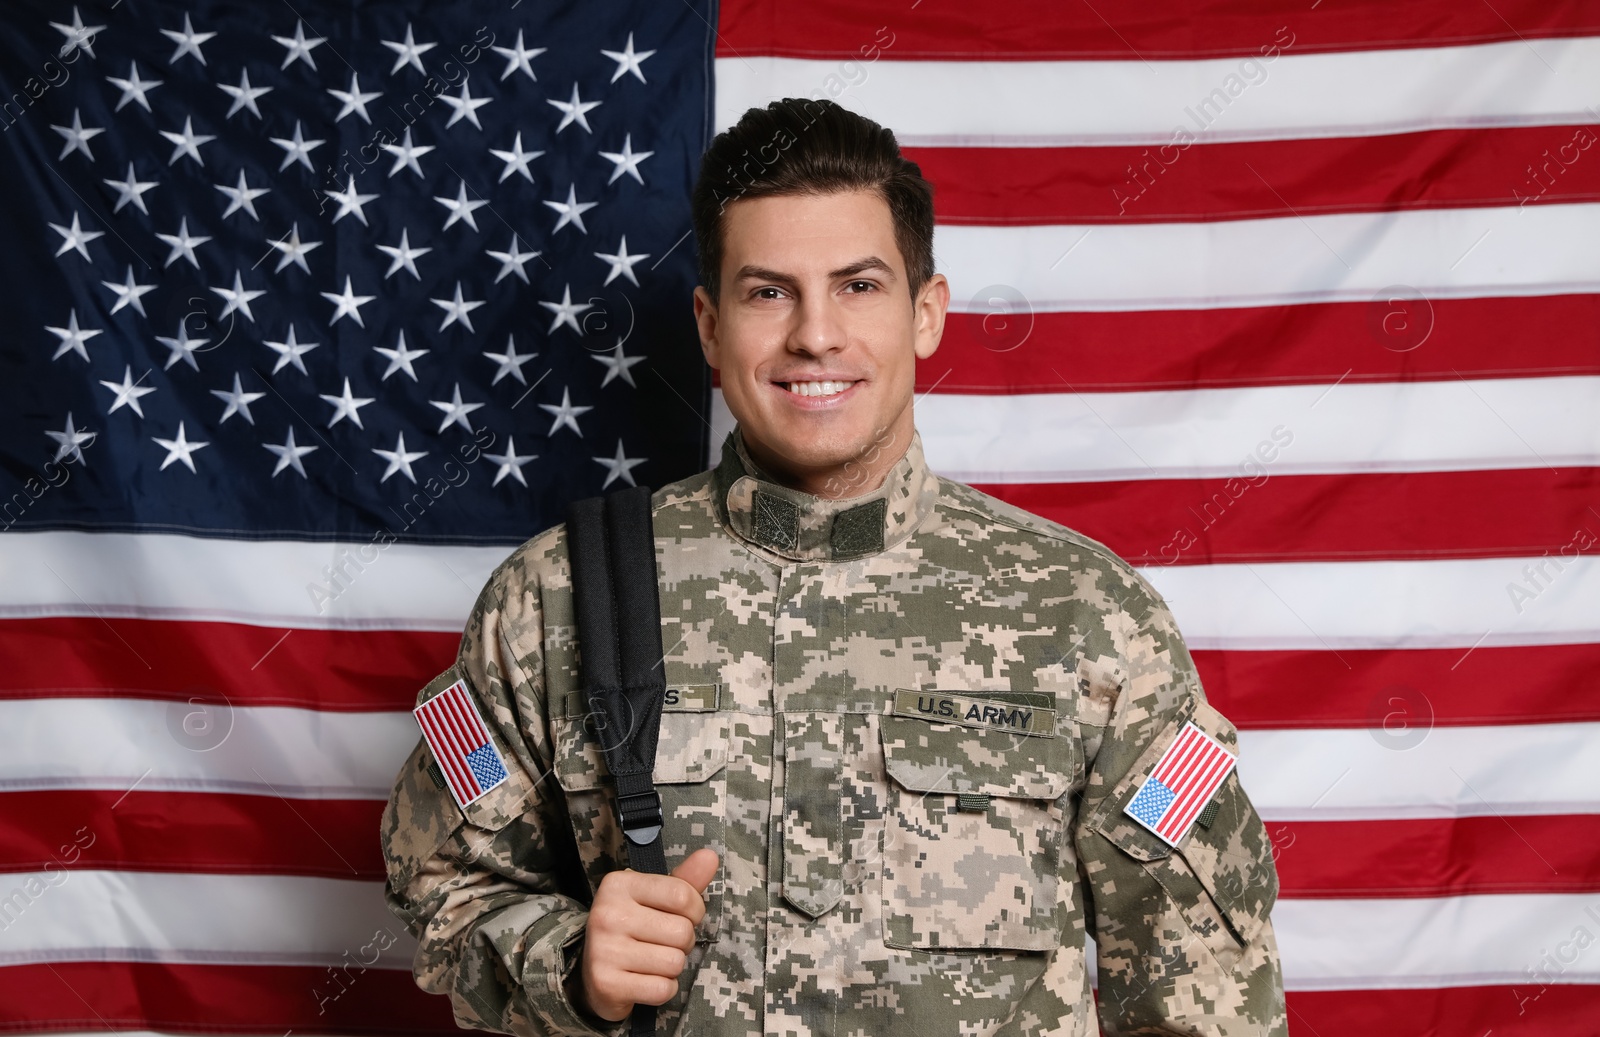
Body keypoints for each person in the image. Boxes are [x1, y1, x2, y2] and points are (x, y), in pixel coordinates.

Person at [381, 96, 1287, 1037]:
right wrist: (570, 966)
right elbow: (441, 881)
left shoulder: (1088, 614)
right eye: (768, 291)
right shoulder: (557, 597)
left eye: (858, 285)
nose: (815, 334)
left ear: (926, 313)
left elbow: (1207, 979)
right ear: (708, 328)